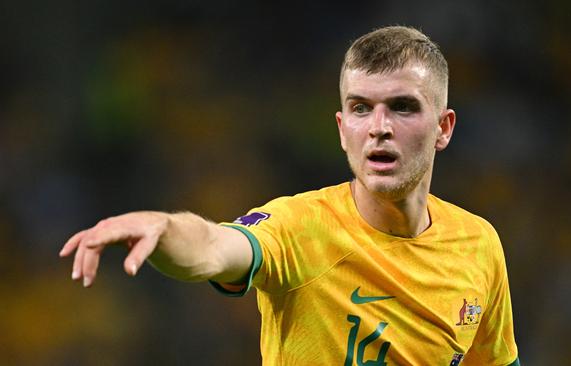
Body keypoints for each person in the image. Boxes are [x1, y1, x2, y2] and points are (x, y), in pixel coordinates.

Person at [60, 26, 520, 365]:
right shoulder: (300, 227)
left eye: (402, 107)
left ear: (443, 128)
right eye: (361, 108)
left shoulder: (478, 244)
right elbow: (216, 248)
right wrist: (165, 228)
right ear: (343, 130)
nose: (379, 127)